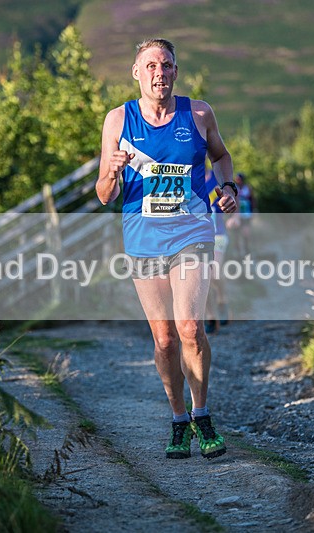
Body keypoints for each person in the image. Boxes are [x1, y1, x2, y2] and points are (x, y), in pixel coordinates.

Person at [96, 37, 238, 460]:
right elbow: (104, 194)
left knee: (190, 327)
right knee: (163, 341)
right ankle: (177, 419)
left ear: (176, 72)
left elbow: (222, 156)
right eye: (151, 66)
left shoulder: (198, 113)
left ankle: (202, 414)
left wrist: (227, 187)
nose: (160, 73)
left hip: (192, 230)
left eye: (167, 65)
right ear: (137, 73)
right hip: (143, 236)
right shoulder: (118, 120)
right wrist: (113, 172)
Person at [204, 169, 230, 335]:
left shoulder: (217, 175)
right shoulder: (186, 175)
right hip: (197, 235)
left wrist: (236, 216)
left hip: (218, 233)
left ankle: (221, 299)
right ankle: (210, 316)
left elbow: (234, 194)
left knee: (214, 273)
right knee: (202, 277)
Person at [230, 172, 257, 257]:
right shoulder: (234, 188)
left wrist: (254, 210)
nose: (238, 181)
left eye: (239, 179)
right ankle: (237, 251)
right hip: (237, 214)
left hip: (246, 214)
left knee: (246, 232)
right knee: (236, 233)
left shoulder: (247, 188)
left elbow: (252, 199)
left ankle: (247, 250)